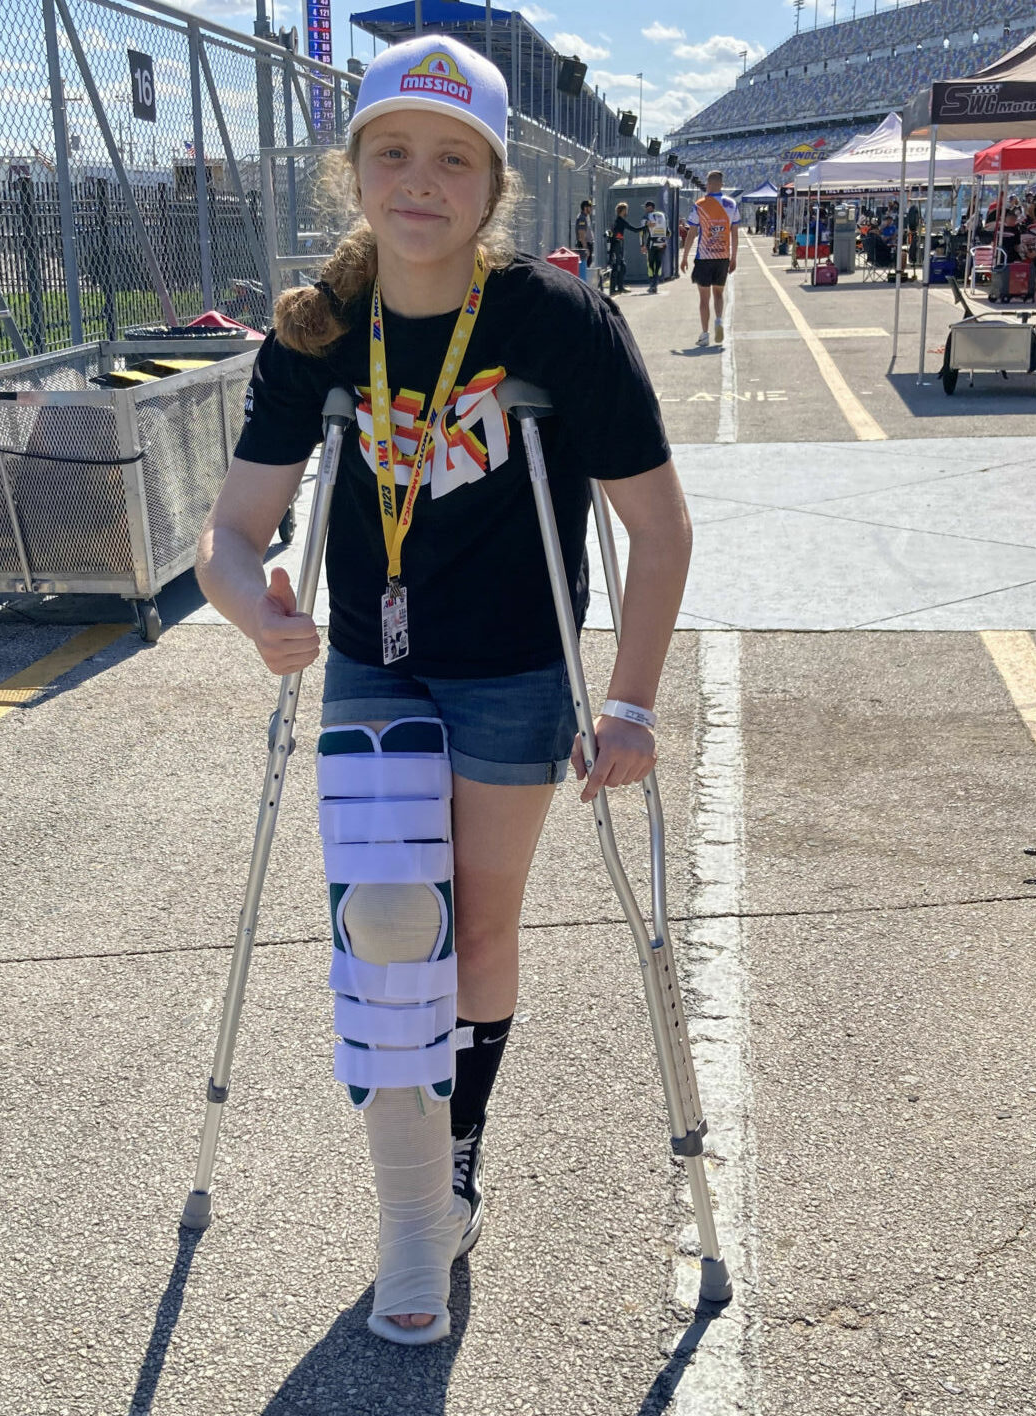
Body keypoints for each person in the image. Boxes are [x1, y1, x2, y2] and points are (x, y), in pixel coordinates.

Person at [195, 32, 692, 1348]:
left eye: (454, 158)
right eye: (396, 154)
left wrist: (631, 704)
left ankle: (454, 1162)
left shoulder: (555, 323)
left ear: (493, 181)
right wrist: (257, 612)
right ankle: (412, 1211)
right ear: (354, 171)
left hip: (515, 664)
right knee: (391, 927)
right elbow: (231, 533)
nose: (423, 181)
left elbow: (663, 531)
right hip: (368, 654)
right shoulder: (316, 328)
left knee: (473, 933)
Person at [679, 169, 740, 346]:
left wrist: (684, 256)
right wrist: (734, 257)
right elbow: (734, 234)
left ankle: (705, 334)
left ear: (709, 184)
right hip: (723, 256)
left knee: (704, 298)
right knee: (719, 294)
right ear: (721, 184)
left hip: (704, 257)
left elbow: (692, 233)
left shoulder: (700, 204)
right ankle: (719, 322)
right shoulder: (731, 204)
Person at [608, 201, 642, 295]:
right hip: (616, 245)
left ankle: (620, 287)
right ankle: (613, 289)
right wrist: (646, 227)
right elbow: (634, 230)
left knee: (622, 266)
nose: (627, 212)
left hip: (618, 245)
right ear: (622, 210)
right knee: (616, 267)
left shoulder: (619, 220)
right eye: (626, 210)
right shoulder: (620, 221)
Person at [642, 198, 669, 292]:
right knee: (658, 264)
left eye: (646, 207)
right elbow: (668, 232)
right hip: (662, 243)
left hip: (651, 243)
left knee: (650, 264)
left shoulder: (647, 217)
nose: (645, 209)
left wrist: (642, 245)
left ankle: (652, 284)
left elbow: (642, 231)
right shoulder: (663, 216)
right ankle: (655, 284)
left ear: (650, 208)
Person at [573, 199, 594, 272]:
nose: (591, 209)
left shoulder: (585, 217)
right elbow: (581, 235)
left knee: (587, 267)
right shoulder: (582, 218)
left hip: (587, 245)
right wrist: (585, 249)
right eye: (590, 207)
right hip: (584, 246)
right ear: (585, 208)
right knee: (584, 269)